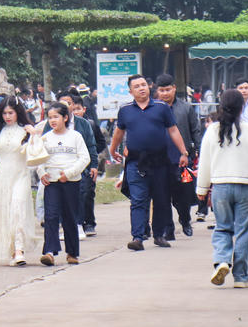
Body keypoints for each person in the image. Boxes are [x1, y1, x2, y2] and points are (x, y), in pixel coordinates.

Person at [196, 89, 248, 288]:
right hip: (247, 188)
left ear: (221, 106)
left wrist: (202, 188)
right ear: (242, 108)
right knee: (243, 231)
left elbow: (204, 162)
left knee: (222, 227)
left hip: (220, 187)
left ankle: (222, 260)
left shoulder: (212, 130)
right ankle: (241, 276)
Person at [109, 75, 191, 250]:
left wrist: (183, 152)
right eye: (137, 86)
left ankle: (159, 235)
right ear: (131, 91)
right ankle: (137, 237)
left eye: (144, 85)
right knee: (138, 199)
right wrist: (113, 149)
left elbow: (173, 130)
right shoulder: (125, 110)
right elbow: (119, 132)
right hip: (136, 161)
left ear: (149, 87)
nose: (141, 88)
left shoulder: (161, 108)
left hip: (160, 160)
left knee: (161, 198)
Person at [0, 96, 42, 266]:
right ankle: (11, 250)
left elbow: (36, 154)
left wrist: (33, 134)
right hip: (2, 178)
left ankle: (19, 250)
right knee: (6, 214)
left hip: (21, 176)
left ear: (18, 113)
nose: (7, 116)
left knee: (18, 210)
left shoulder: (26, 130)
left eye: (11, 113)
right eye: (4, 113)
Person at [38, 102, 90, 266]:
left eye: (56, 117)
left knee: (69, 217)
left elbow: (84, 158)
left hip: (70, 182)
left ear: (65, 118)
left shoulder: (75, 136)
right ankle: (49, 252)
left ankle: (72, 252)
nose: (52, 120)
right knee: (51, 216)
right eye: (50, 117)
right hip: (52, 183)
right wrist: (41, 173)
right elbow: (38, 158)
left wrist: (69, 173)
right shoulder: (45, 138)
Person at [47, 88, 99, 238]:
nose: (66, 106)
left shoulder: (83, 124)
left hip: (79, 167)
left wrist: (94, 165)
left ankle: (79, 224)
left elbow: (91, 146)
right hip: (56, 169)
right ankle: (63, 226)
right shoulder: (50, 125)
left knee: (81, 194)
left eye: (68, 103)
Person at [155, 74, 202, 237]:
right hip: (160, 160)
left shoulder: (186, 108)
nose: (165, 93)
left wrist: (196, 152)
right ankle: (169, 229)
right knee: (163, 195)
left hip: (183, 160)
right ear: (157, 91)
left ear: (174, 88)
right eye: (162, 90)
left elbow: (195, 130)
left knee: (184, 194)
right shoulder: (153, 109)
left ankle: (185, 220)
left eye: (168, 90)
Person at [69, 94, 106, 236]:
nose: (76, 111)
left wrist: (92, 157)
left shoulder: (90, 124)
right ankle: (77, 222)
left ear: (83, 109)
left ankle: (89, 222)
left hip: (88, 165)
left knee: (87, 193)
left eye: (79, 109)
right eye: (74, 109)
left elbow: (100, 143)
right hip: (72, 164)